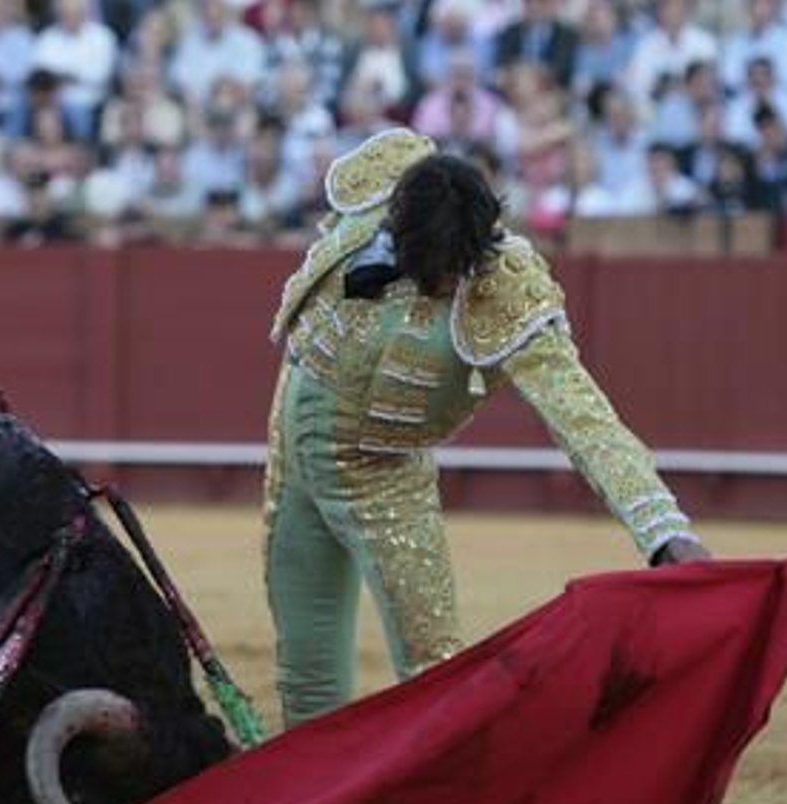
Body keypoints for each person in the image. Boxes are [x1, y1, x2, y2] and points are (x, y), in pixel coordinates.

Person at [264, 128, 708, 726]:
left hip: (380, 475)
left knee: (435, 670)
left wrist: (662, 530)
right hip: (291, 444)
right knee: (306, 670)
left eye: (452, 268)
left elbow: (585, 419)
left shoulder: (506, 287)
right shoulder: (377, 189)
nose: (441, 281)